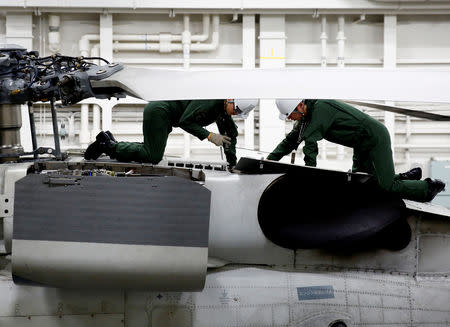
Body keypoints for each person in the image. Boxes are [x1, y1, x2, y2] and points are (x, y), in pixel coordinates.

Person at [267, 99, 445, 202]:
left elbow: (311, 144)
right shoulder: (307, 119)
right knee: (361, 181)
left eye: (290, 115)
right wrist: (267, 163)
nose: (291, 119)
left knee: (386, 186)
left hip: (374, 138)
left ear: (300, 106)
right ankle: (406, 177)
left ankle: (427, 188)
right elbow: (289, 142)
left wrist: (310, 176)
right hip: (361, 144)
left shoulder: (320, 110)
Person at [84, 99, 258, 169]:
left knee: (151, 150)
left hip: (165, 115)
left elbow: (230, 136)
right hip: (160, 112)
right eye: (235, 110)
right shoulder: (211, 102)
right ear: (230, 100)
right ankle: (108, 146)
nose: (234, 114)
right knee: (153, 155)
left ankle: (111, 142)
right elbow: (185, 121)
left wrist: (232, 164)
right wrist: (210, 136)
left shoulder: (223, 110)